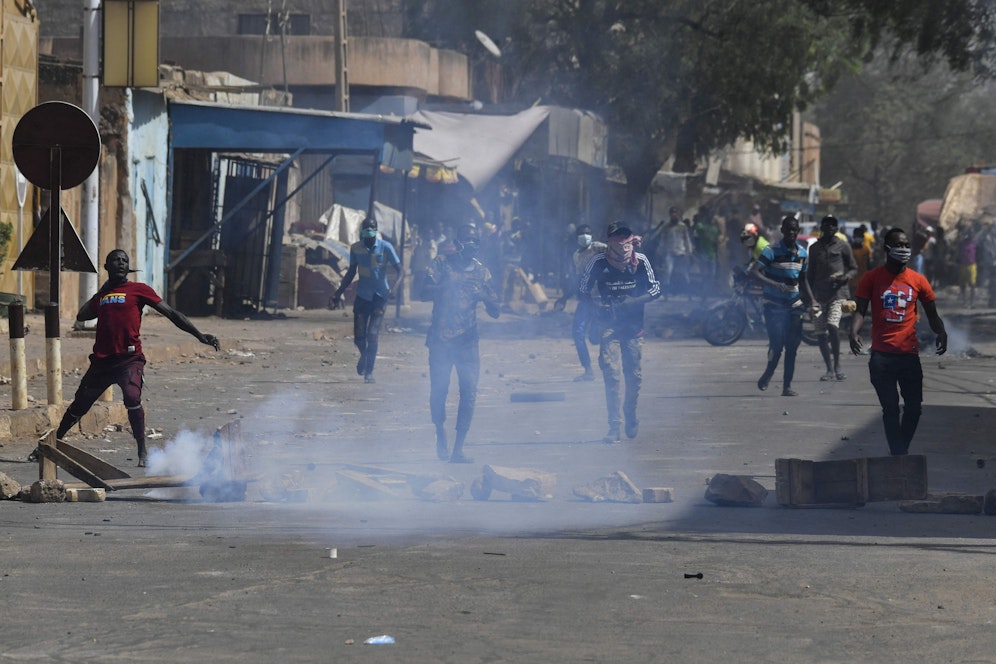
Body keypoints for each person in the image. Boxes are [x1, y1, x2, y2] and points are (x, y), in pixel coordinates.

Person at [54, 249, 220, 467]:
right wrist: (102, 291)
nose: (120, 263)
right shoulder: (103, 295)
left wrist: (199, 335)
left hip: (129, 360)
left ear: (128, 266)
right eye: (115, 260)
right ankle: (53, 442)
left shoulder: (138, 290)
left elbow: (171, 314)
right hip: (102, 362)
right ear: (106, 267)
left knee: (132, 398)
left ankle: (142, 451)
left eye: (124, 260)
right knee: (80, 405)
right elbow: (82, 315)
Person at [849, 227, 947, 456]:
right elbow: (860, 311)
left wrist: (940, 332)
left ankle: (899, 451)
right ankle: (899, 455)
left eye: (906, 245)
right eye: (899, 245)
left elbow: (932, 313)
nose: (903, 249)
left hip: (909, 355)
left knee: (914, 409)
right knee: (890, 409)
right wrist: (853, 332)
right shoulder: (871, 278)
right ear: (887, 248)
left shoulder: (918, 280)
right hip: (882, 357)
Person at [420, 224, 501, 463]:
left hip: (467, 342)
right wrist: (445, 287)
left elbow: (496, 311)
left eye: (476, 240)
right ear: (458, 242)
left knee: (469, 393)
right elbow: (422, 293)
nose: (472, 244)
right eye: (468, 239)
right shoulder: (441, 264)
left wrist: (484, 296)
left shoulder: (481, 272)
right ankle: (440, 435)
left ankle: (458, 449)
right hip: (441, 340)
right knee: (439, 391)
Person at [579, 221, 661, 444]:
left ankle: (630, 414)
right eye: (617, 238)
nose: (622, 243)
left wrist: (634, 301)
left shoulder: (640, 261)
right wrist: (597, 308)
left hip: (634, 328)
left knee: (633, 377)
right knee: (612, 375)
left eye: (625, 238)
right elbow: (583, 290)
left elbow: (656, 288)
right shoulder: (597, 262)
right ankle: (614, 426)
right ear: (609, 241)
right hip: (608, 326)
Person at [750, 215, 819, 397]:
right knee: (777, 345)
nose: (791, 232)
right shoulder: (771, 251)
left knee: (792, 346)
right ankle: (769, 372)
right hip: (773, 305)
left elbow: (803, 280)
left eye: (794, 229)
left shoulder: (802, 254)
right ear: (782, 230)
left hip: (794, 304)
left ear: (798, 231)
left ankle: (787, 386)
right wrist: (774, 284)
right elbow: (754, 272)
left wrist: (812, 301)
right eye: (788, 229)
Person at [330, 217, 401, 383]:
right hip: (362, 296)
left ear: (376, 229)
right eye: (367, 228)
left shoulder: (385, 247)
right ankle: (365, 356)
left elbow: (400, 270)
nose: (369, 230)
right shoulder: (356, 249)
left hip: (380, 297)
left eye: (372, 227)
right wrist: (338, 292)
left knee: (373, 335)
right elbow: (351, 273)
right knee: (359, 337)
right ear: (362, 230)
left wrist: (394, 289)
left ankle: (369, 372)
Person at [806, 215, 858, 382]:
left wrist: (845, 277)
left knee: (832, 326)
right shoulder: (814, 249)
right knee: (820, 333)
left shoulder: (843, 246)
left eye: (833, 225)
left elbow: (853, 267)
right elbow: (810, 275)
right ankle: (828, 368)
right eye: (826, 224)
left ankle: (837, 365)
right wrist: (808, 297)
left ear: (836, 228)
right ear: (822, 227)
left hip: (838, 294)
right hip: (818, 295)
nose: (829, 227)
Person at [554, 224, 607, 381]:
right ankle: (588, 370)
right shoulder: (576, 255)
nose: (585, 236)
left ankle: (607, 363)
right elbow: (577, 280)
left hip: (600, 299)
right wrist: (564, 298)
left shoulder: (598, 248)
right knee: (577, 332)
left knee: (596, 337)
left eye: (588, 233)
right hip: (585, 300)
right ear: (577, 237)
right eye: (582, 234)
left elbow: (616, 255)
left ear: (592, 235)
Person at [660, 207, 693, 298]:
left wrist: (689, 251)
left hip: (681, 252)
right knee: (667, 273)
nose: (674, 215)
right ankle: (665, 295)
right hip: (669, 252)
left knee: (684, 273)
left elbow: (687, 239)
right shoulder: (666, 227)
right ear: (670, 214)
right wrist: (661, 250)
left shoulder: (682, 226)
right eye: (672, 213)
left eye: (675, 213)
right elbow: (662, 240)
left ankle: (689, 295)